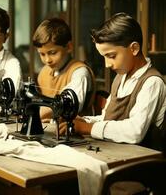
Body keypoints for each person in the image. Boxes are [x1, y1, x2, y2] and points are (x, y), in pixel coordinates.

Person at [60, 13, 166, 152]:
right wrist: (83, 121)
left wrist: (88, 128)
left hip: (144, 165)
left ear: (134, 48)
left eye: (111, 56)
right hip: (120, 156)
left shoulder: (152, 82)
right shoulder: (120, 78)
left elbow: (135, 131)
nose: (107, 65)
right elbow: (107, 119)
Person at [33, 17, 95, 122]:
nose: (47, 60)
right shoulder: (44, 72)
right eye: (42, 54)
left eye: (52, 53)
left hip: (77, 132)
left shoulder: (79, 72)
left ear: (69, 47)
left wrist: (36, 114)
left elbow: (70, 104)